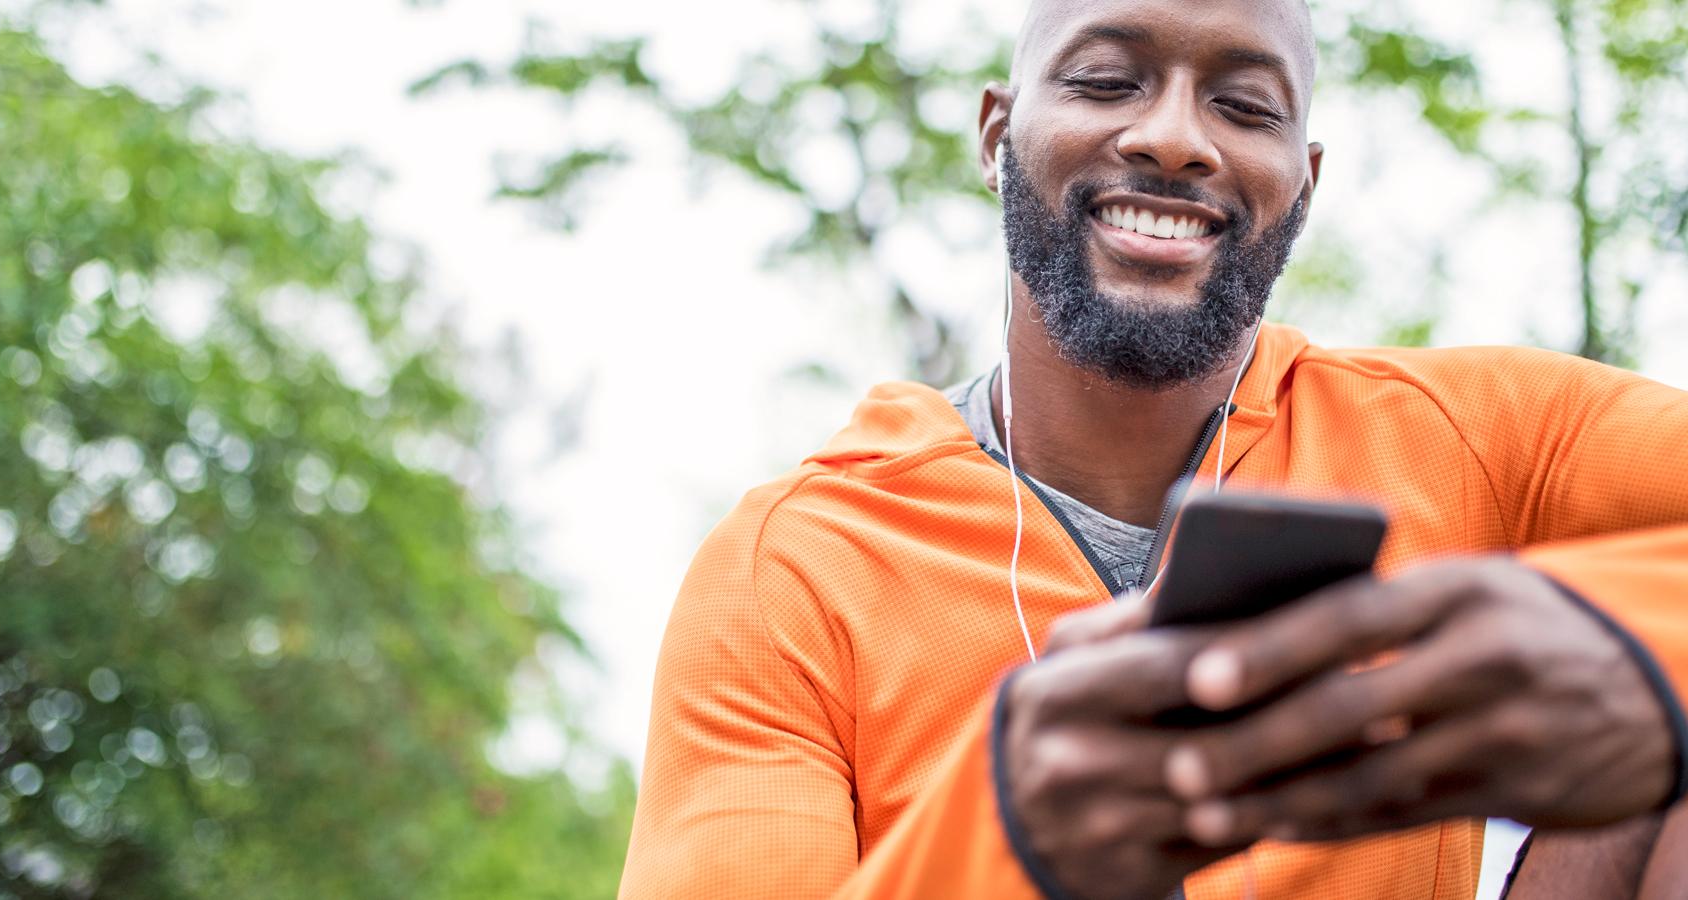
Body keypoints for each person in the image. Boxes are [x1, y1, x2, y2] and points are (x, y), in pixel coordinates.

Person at [617, 0, 1688, 896]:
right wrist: (1012, 836)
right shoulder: (790, 575)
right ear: (996, 135)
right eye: (1105, 81)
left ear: (1302, 182)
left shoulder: (1474, 437)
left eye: (1245, 104)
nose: (1175, 136)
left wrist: (1638, 652)